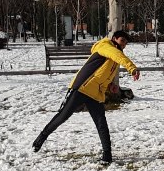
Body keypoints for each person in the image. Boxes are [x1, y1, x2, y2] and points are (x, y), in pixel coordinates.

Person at [32, 30, 140, 163]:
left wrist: (110, 85)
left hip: (95, 94)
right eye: (122, 41)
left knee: (101, 124)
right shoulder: (106, 47)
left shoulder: (115, 57)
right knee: (62, 116)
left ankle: (107, 155)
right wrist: (132, 68)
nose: (124, 45)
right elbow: (117, 55)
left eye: (126, 43)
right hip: (81, 88)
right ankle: (41, 138)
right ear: (114, 38)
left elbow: (102, 74)